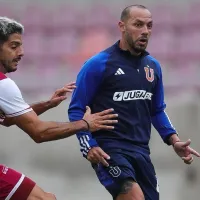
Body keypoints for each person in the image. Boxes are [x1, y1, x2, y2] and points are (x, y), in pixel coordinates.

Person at [68, 4, 200, 200]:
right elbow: (76, 109)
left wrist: (174, 140)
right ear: (122, 26)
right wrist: (88, 145)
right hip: (109, 148)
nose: (145, 31)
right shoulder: (98, 64)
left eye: (149, 25)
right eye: (138, 24)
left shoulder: (153, 67)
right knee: (133, 196)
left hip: (141, 151)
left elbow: (156, 110)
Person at [0, 17, 118, 200]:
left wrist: (47, 104)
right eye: (14, 46)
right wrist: (85, 123)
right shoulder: (3, 85)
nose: (22, 52)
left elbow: (7, 119)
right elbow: (39, 133)